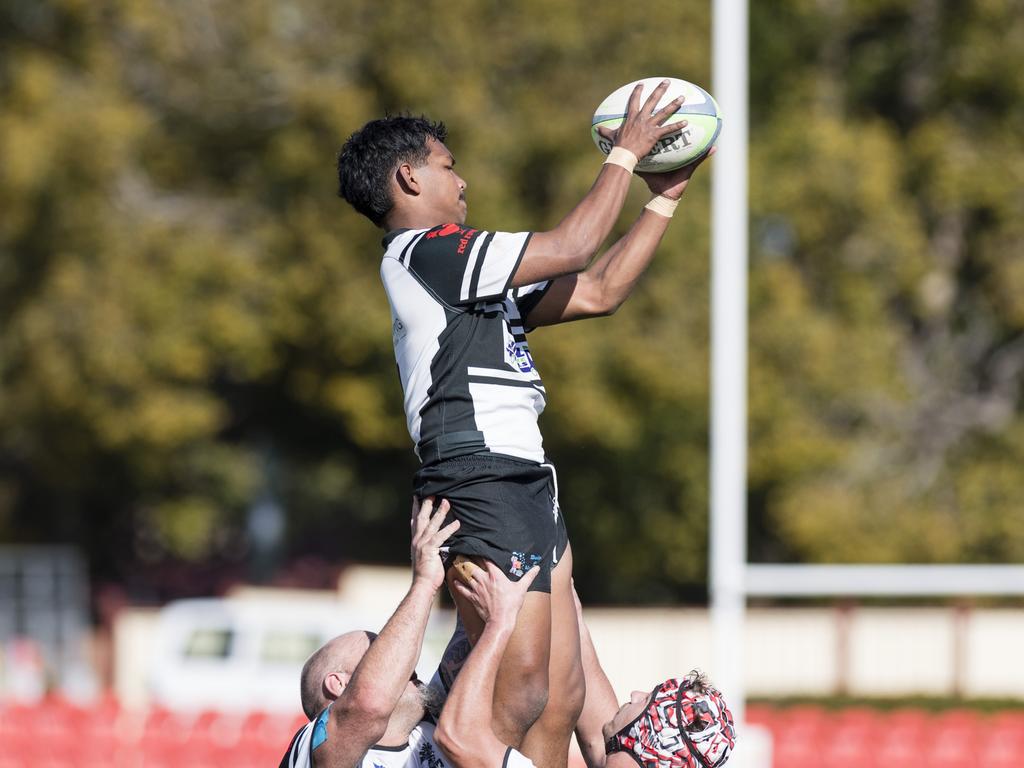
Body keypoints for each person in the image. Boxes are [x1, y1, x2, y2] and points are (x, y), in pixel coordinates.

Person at [336, 81, 715, 768]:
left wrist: (666, 196)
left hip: (523, 476)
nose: (463, 179)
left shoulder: (465, 276)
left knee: (562, 694)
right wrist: (625, 154)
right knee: (521, 694)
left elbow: (597, 290)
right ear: (408, 176)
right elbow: (572, 245)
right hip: (478, 473)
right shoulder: (428, 252)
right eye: (449, 166)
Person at [434, 563, 736, 768]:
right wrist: (563, 592)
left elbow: (455, 736)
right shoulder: (626, 748)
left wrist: (499, 624)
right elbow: (593, 716)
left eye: (648, 700)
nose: (635, 694)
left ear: (650, 741)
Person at [280, 496, 466, 768]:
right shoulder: (312, 745)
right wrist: (425, 582)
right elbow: (365, 706)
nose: (405, 661)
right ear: (339, 684)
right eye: (376, 652)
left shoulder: (439, 732)